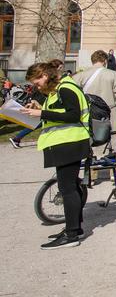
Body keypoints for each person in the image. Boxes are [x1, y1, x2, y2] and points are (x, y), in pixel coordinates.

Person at [22, 61, 91, 249]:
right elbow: (61, 111)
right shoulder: (60, 89)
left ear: (45, 76)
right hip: (66, 142)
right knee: (70, 187)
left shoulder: (66, 88)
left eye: (37, 82)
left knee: (67, 188)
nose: (37, 86)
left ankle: (71, 235)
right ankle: (74, 229)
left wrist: (41, 113)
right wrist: (40, 107)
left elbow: (73, 115)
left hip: (70, 142)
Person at [78, 49, 116, 156]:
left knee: (93, 137)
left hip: (89, 111)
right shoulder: (114, 75)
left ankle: (94, 164)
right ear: (105, 61)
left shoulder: (80, 76)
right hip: (110, 109)